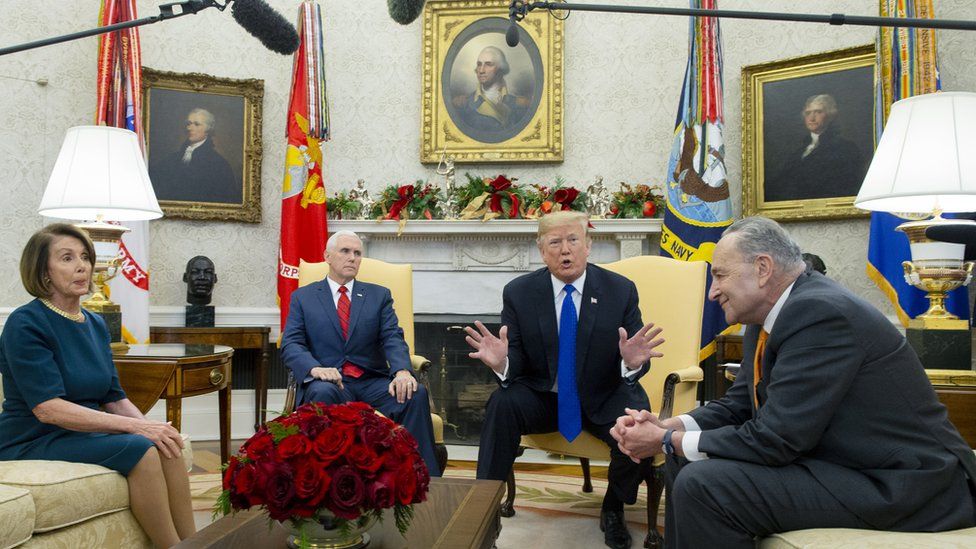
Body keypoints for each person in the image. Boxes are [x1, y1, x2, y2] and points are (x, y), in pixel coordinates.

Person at [611, 216, 976, 549]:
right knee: (686, 462)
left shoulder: (820, 314)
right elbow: (740, 405)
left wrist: (664, 441)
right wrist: (668, 425)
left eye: (720, 276)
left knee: (705, 485)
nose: (712, 291)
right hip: (842, 465)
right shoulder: (768, 315)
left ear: (763, 268)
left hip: (903, 484)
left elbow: (776, 440)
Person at [464, 210, 665, 549]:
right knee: (502, 402)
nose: (565, 250)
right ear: (542, 251)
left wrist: (631, 363)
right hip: (546, 395)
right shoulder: (520, 292)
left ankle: (614, 506)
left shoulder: (620, 290)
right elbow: (518, 360)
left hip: (604, 391)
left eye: (573, 240)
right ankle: (484, 514)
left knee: (636, 422)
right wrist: (503, 363)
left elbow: (635, 352)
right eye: (555, 243)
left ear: (588, 245)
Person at [0, 223, 194, 547]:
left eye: (85, 257)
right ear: (43, 271)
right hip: (32, 436)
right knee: (142, 450)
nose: (82, 266)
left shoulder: (94, 322)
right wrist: (137, 431)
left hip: (80, 432)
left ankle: (197, 542)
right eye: (67, 258)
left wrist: (151, 427)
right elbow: (48, 409)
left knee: (167, 444)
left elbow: (113, 396)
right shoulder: (25, 323)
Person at [281, 230, 442, 477]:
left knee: (414, 393)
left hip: (370, 381)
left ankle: (422, 479)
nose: (352, 258)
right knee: (321, 391)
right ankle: (326, 480)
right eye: (345, 251)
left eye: (357, 253)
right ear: (328, 256)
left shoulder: (378, 296)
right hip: (329, 381)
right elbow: (291, 344)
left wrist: (401, 370)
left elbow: (393, 337)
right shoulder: (304, 297)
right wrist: (314, 368)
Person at [766, 94, 866, 202]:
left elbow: (847, 186)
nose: (812, 118)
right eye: (808, 113)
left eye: (818, 112)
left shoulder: (846, 148)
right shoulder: (798, 152)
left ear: (830, 115)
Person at [149, 107, 239, 204]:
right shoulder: (172, 159)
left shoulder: (219, 164)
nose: (189, 128)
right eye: (188, 123)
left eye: (196, 124)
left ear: (208, 129)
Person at [452, 46, 531, 136]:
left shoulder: (521, 104)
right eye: (479, 64)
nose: (481, 70)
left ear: (500, 69)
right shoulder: (463, 104)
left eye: (488, 64)